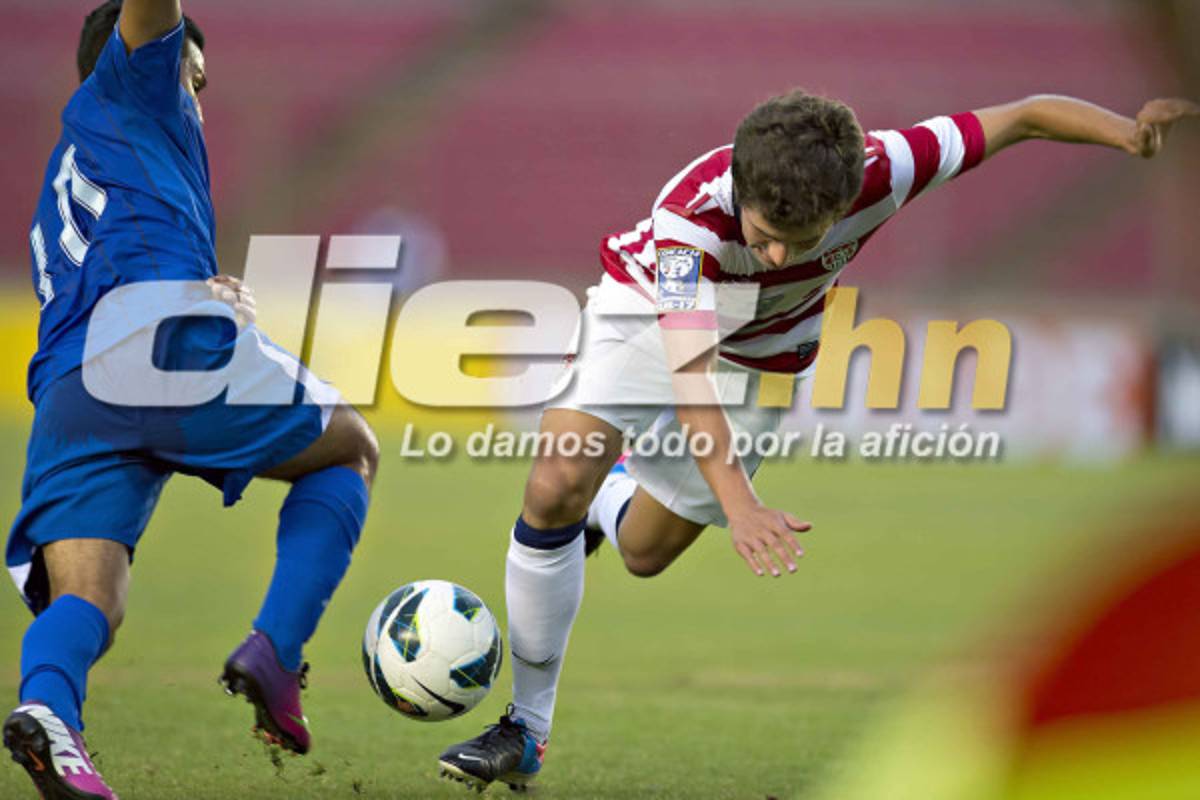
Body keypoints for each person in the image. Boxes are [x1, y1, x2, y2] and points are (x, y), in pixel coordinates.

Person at [436, 89, 1198, 791]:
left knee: (644, 553)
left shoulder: (886, 169)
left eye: (802, 240)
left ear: (846, 198)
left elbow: (1024, 116)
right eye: (766, 236)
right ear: (741, 187)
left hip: (767, 361)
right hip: (650, 320)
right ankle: (525, 729)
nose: (777, 257)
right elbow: (689, 378)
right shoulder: (686, 224)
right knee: (551, 485)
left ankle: (608, 501)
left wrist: (1128, 135)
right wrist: (742, 506)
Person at [3, 3, 380, 798]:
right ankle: (276, 651)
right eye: (193, 78)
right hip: (158, 348)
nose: (198, 100)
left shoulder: (82, 156)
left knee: (90, 598)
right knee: (348, 447)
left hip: (72, 390)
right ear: (143, 54)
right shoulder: (135, 76)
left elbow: (103, 271)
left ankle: (47, 713)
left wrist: (193, 282)